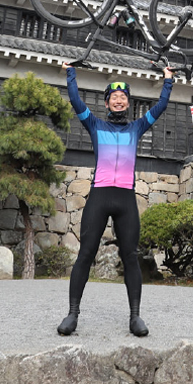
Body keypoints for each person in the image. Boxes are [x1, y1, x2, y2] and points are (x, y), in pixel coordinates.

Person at [57, 62, 175, 337]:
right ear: (107, 103)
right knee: (85, 253)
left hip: (125, 199)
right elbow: (75, 101)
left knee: (130, 256)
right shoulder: (95, 124)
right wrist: (70, 72)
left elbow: (159, 108)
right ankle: (72, 314)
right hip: (100, 194)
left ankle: (135, 316)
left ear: (128, 104)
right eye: (114, 97)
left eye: (123, 98)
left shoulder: (136, 127)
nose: (119, 100)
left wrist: (167, 80)